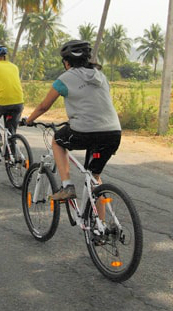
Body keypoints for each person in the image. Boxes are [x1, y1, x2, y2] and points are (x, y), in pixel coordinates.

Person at [22, 40, 122, 202]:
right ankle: (101, 224)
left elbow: (43, 106)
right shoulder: (101, 76)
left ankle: (67, 186)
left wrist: (29, 121)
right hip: (113, 132)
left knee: (57, 141)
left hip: (85, 132)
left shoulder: (65, 79)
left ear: (67, 62)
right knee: (95, 179)